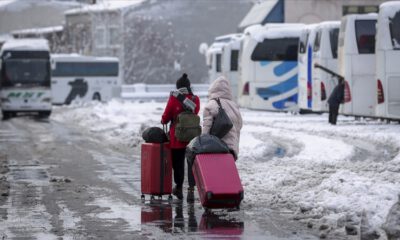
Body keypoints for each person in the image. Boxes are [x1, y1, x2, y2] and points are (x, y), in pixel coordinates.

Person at [161, 73, 200, 200]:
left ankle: (178, 188)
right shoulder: (195, 100)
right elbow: (195, 113)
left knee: (178, 164)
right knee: (191, 164)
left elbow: (166, 117)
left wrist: (163, 120)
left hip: (177, 138)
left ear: (178, 87)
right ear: (189, 86)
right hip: (192, 138)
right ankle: (191, 189)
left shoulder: (174, 98)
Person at [202, 76, 243, 159]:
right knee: (227, 171)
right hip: (232, 149)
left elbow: (206, 129)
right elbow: (239, 126)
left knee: (215, 171)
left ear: (213, 89)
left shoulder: (211, 105)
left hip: (215, 148)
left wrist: (202, 146)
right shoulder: (234, 105)